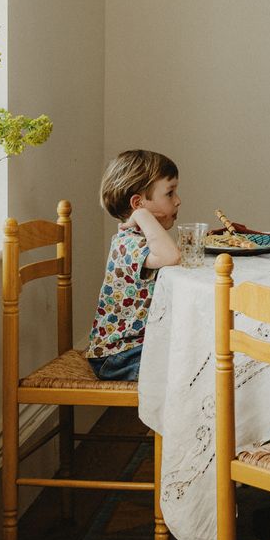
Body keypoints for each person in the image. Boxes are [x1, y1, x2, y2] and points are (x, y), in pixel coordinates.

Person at [86, 149, 182, 381]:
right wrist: (142, 215)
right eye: (170, 193)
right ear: (138, 203)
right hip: (118, 356)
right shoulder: (128, 243)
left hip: (138, 346)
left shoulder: (146, 240)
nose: (178, 200)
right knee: (194, 367)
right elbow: (171, 257)